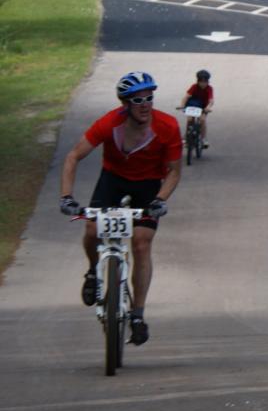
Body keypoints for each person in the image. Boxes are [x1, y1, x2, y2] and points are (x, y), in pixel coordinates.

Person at [59, 72, 182, 346]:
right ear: (125, 104)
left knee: (141, 244)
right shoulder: (108, 124)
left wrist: (160, 200)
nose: (145, 104)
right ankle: (93, 272)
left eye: (149, 98)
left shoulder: (168, 126)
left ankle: (137, 315)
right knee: (91, 229)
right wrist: (66, 197)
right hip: (113, 180)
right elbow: (73, 156)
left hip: (148, 184)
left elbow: (174, 172)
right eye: (138, 99)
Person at [179, 69, 215, 148]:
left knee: (202, 120)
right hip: (193, 106)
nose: (203, 84)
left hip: (203, 107)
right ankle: (186, 137)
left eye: (205, 82)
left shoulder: (209, 88)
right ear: (198, 81)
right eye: (201, 81)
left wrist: (208, 108)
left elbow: (211, 101)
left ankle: (203, 139)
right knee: (189, 120)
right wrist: (182, 106)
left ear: (207, 82)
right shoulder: (194, 87)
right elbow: (186, 97)